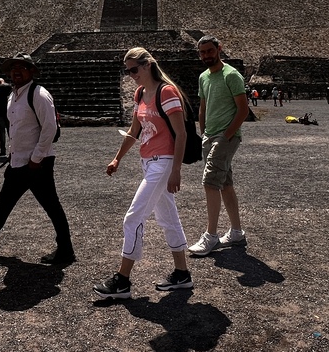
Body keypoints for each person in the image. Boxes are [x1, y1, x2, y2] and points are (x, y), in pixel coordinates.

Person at [93, 48, 192, 299]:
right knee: (168, 217)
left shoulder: (166, 91)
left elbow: (181, 134)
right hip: (148, 161)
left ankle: (123, 280)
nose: (131, 75)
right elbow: (134, 130)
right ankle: (182, 274)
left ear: (148, 65)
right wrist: (117, 158)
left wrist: (176, 170)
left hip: (164, 162)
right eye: (128, 71)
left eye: (134, 69)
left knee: (133, 217)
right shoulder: (140, 93)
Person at [0, 54, 75, 265]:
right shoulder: (14, 96)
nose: (17, 71)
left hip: (36, 164)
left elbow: (50, 129)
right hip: (17, 162)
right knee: (3, 203)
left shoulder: (39, 95)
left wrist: (36, 159)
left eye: (23, 67)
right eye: (13, 68)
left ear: (31, 71)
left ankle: (66, 249)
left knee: (51, 206)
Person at [188, 36, 249, 256]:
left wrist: (226, 135)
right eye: (202, 52)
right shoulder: (204, 77)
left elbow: (243, 110)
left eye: (210, 51)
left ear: (219, 49)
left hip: (226, 137)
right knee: (225, 183)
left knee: (210, 181)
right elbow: (203, 107)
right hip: (210, 136)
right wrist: (203, 132)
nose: (206, 55)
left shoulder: (231, 75)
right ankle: (236, 232)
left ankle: (211, 236)